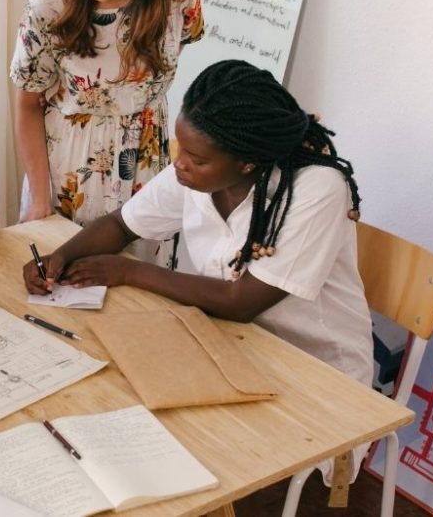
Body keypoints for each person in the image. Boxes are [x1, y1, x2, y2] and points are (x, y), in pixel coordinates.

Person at [24, 59, 373, 390]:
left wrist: (128, 272)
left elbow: (241, 302)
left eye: (196, 159)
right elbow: (121, 225)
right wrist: (60, 257)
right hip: (237, 346)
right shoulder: (196, 175)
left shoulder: (317, 189)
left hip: (319, 373)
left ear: (248, 163)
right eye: (182, 150)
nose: (179, 164)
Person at [12, 0, 205, 263]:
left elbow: (181, 43)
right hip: (70, 168)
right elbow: (26, 106)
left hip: (147, 163)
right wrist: (39, 198)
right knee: (62, 282)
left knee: (141, 291)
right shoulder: (48, 9)